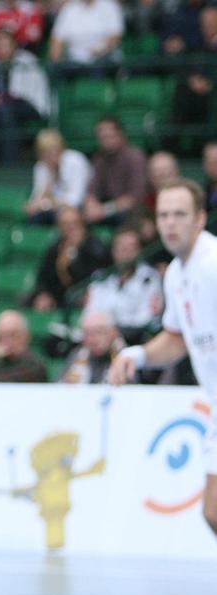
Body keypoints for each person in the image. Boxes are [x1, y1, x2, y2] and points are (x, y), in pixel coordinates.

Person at [109, 178, 217, 536]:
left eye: (180, 214)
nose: (170, 223)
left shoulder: (213, 264)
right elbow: (177, 338)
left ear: (200, 219)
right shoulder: (174, 274)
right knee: (213, 512)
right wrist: (138, 355)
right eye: (164, 215)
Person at [84, 222, 163, 344]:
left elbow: (147, 319)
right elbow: (90, 313)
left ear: (139, 251)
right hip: (100, 339)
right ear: (113, 250)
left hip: (136, 340)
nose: (126, 253)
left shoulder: (150, 278)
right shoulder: (100, 277)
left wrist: (115, 331)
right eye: (121, 247)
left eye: (131, 248)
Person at [24, 129, 91, 226]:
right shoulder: (41, 166)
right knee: (34, 219)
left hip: (79, 209)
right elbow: (35, 200)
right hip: (53, 210)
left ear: (61, 149)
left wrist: (45, 204)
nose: (50, 156)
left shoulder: (76, 161)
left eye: (53, 150)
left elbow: (75, 201)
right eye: (44, 153)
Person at [56, 309, 124, 383]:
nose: (92, 339)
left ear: (113, 333)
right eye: (87, 334)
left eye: (98, 332)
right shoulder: (77, 355)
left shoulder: (125, 356)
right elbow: (58, 385)